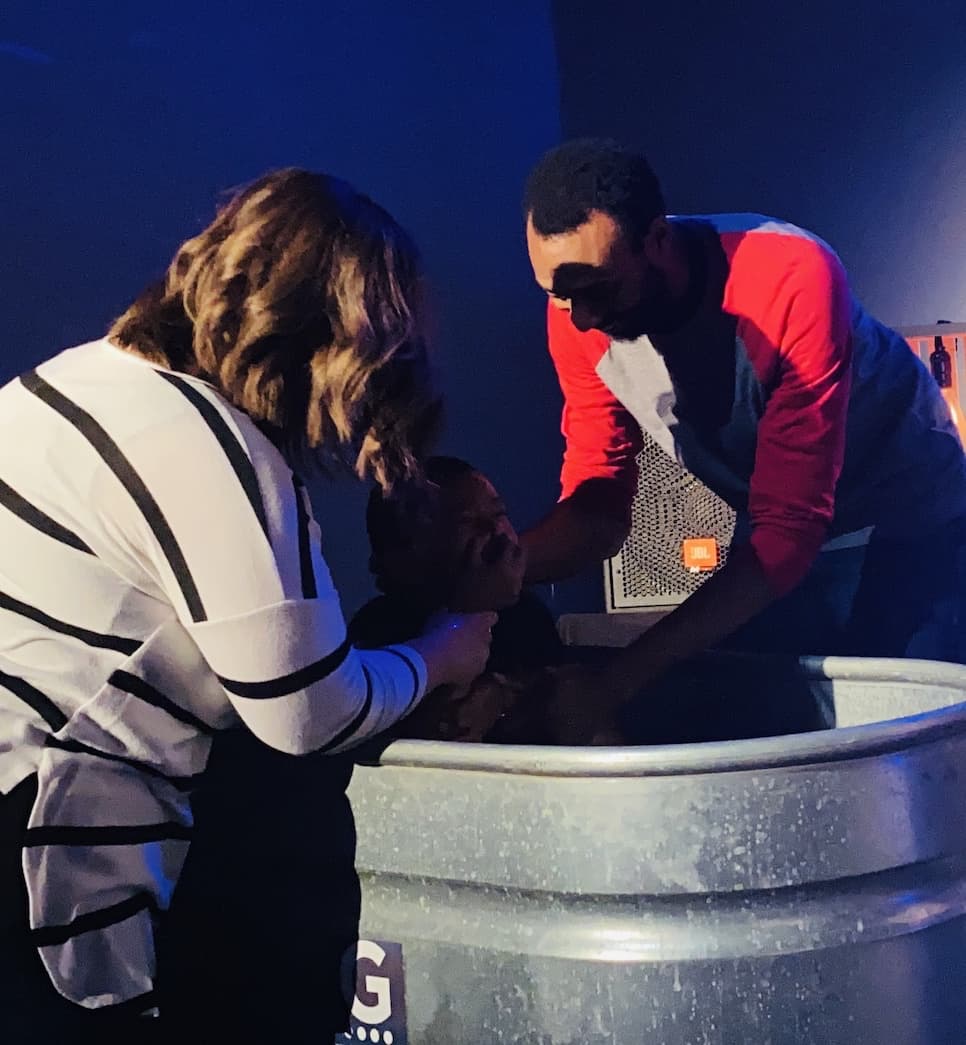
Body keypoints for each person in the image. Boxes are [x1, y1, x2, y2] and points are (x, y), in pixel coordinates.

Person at [0, 169, 496, 1036]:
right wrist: (441, 653)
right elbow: (307, 711)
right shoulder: (208, 445)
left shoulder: (68, 384)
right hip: (39, 839)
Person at [521, 139, 966, 740]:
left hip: (913, 515)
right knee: (751, 708)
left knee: (907, 734)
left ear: (657, 239)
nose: (580, 318)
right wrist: (495, 570)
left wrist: (613, 683)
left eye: (598, 291)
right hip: (787, 532)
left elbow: (787, 534)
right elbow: (600, 505)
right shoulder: (576, 307)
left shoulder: (787, 276)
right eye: (558, 294)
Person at [351, 455, 569, 743]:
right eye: (467, 522)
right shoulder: (378, 629)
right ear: (406, 554)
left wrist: (505, 694)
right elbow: (436, 723)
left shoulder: (525, 615)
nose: (495, 531)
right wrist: (474, 607)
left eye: (499, 513)